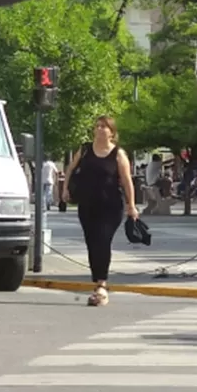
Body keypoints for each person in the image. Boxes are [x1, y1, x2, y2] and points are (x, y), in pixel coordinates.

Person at [62, 116, 138, 307]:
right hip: (87, 205)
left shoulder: (118, 154)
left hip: (111, 206)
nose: (100, 129)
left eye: (104, 126)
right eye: (97, 126)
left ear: (112, 132)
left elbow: (127, 180)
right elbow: (71, 168)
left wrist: (132, 205)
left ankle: (102, 285)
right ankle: (97, 282)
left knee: (103, 240)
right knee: (91, 242)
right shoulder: (85, 149)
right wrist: (65, 189)